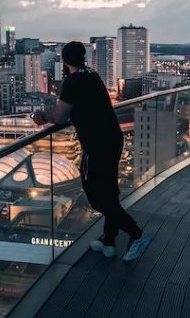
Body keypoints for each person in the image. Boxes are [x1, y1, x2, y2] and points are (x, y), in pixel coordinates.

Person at [33, 41, 150, 261]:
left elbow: (60, 117)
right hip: (112, 139)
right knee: (109, 192)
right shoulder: (92, 75)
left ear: (64, 61)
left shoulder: (71, 82)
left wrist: (43, 117)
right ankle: (109, 240)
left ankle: (137, 234)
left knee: (97, 198)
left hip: (97, 145)